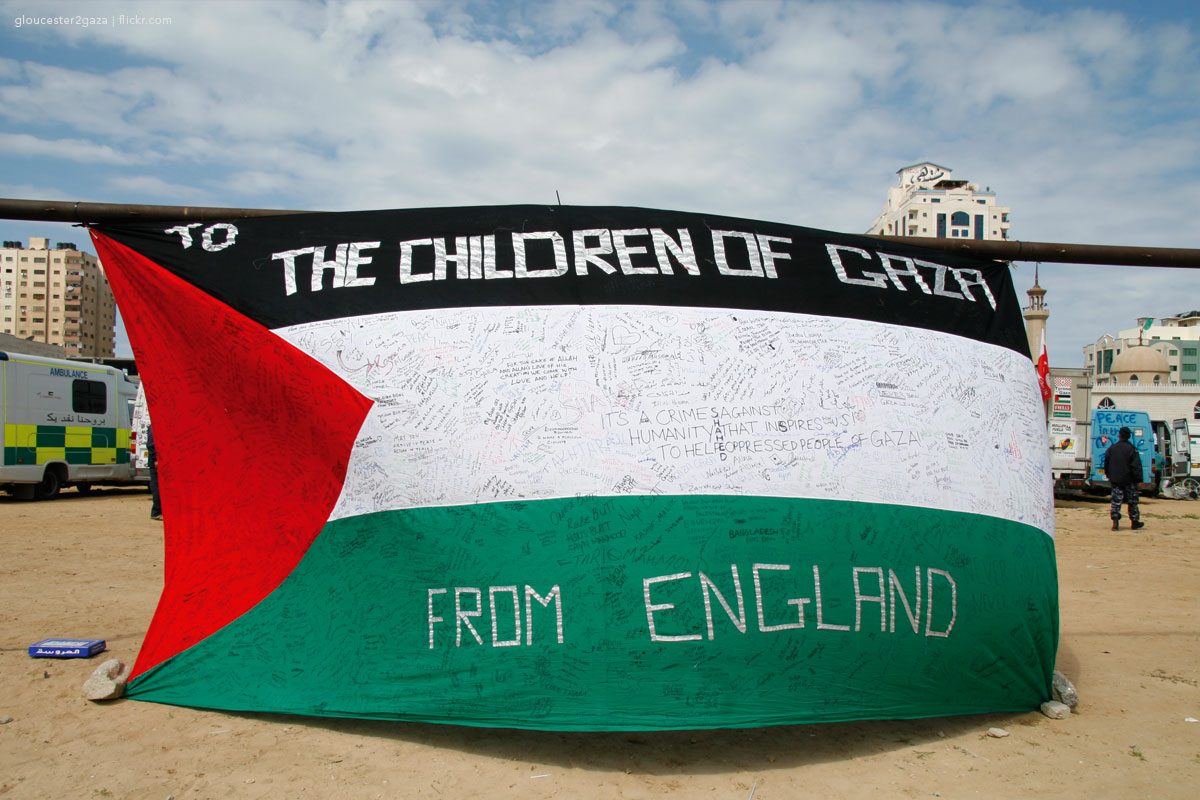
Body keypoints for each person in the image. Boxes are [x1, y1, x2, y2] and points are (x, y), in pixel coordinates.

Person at [1104, 426, 1144, 531]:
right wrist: (1138, 479)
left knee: (1116, 501)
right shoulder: (1132, 449)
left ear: (1119, 435)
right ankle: (1134, 521)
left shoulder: (1112, 448)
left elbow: (1106, 464)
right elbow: (1136, 466)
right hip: (1129, 480)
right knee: (1132, 501)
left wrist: (1109, 475)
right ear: (1129, 436)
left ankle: (1115, 522)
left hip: (1116, 479)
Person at [147, 424, 162, 521]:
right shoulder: (155, 426)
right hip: (156, 462)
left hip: (160, 461)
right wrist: (155, 459)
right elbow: (151, 444)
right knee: (157, 487)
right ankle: (156, 512)